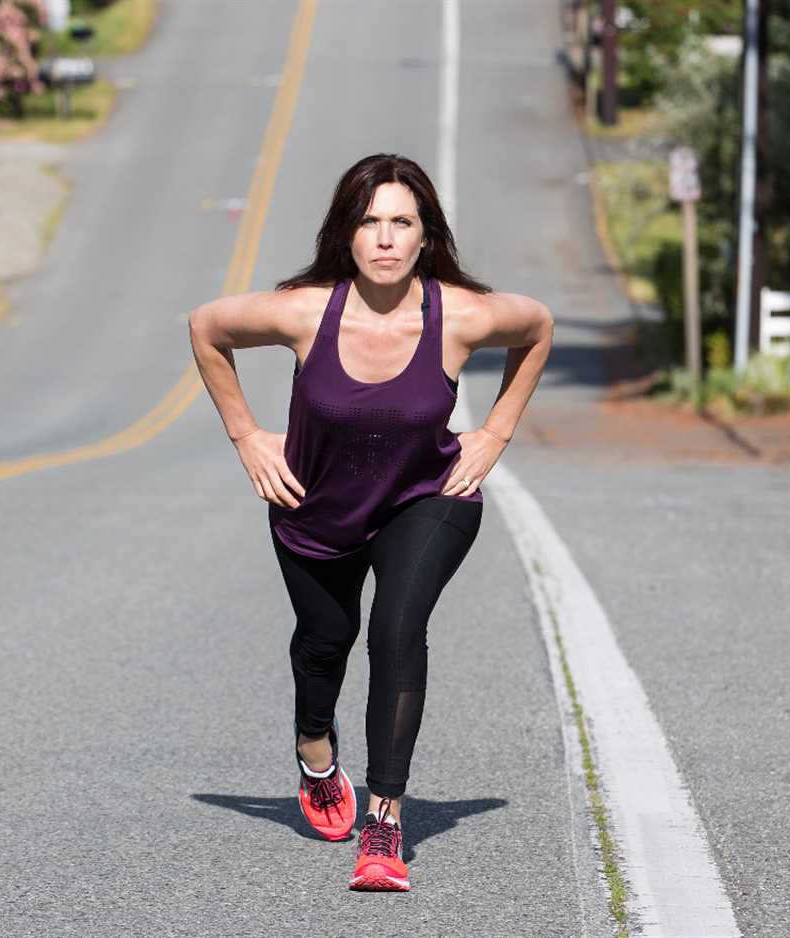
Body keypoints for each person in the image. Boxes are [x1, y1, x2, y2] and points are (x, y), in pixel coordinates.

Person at [188, 153, 553, 891]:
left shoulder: (462, 316)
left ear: (425, 238)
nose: (385, 239)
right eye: (370, 222)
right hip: (316, 503)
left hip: (427, 495)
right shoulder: (302, 311)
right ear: (347, 236)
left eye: (401, 223)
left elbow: (538, 327)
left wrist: (495, 433)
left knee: (395, 631)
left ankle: (384, 824)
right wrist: (247, 435)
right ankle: (315, 752)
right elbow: (206, 328)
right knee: (326, 643)